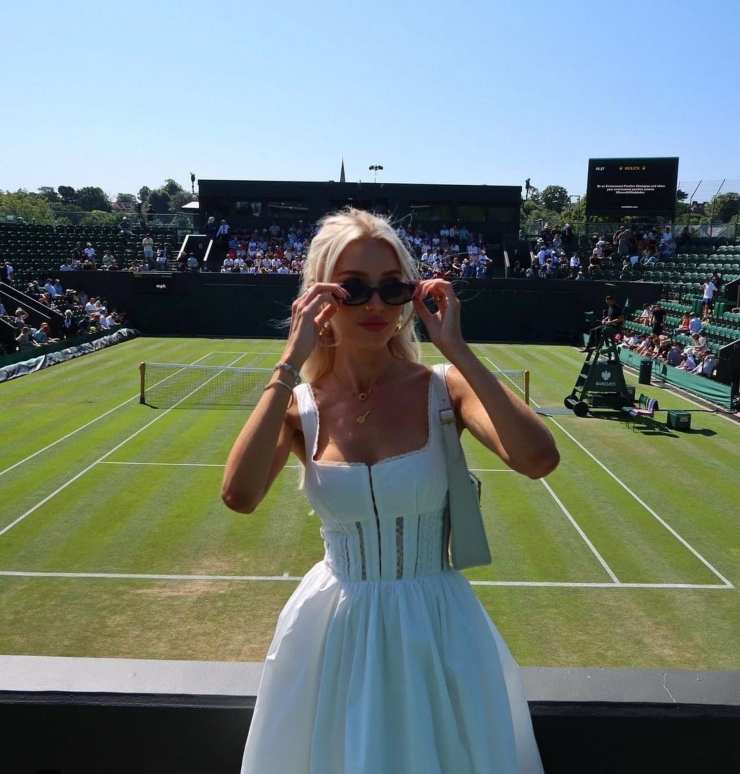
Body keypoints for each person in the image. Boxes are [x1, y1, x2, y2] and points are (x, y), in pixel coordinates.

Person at [224, 208, 555, 774]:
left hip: (437, 627)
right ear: (319, 300)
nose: (376, 305)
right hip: (333, 631)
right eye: (352, 289)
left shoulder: (444, 389)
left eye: (393, 288)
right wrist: (289, 362)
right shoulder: (300, 408)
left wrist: (457, 349)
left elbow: (537, 458)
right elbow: (240, 494)